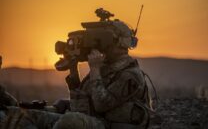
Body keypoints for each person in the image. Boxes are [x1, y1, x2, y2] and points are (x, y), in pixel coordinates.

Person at [0, 16, 150, 129]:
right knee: (25, 115)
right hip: (94, 119)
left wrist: (95, 70)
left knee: (70, 121)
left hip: (111, 125)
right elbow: (81, 102)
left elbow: (101, 105)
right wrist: (73, 71)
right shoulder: (105, 68)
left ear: (119, 44)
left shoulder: (130, 75)